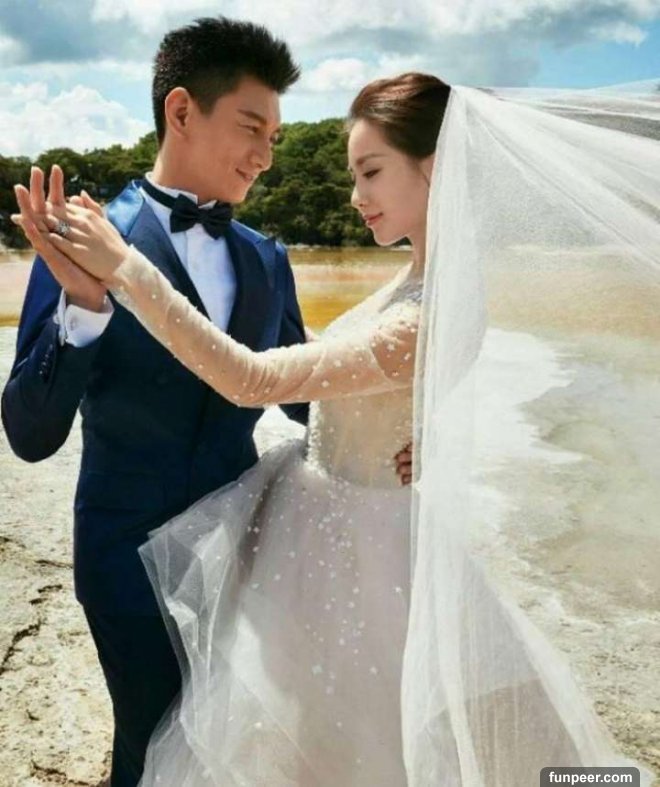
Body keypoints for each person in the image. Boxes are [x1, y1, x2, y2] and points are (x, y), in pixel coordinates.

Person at [13, 74, 658, 786]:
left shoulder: (420, 306)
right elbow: (341, 383)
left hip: (357, 560)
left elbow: (256, 379)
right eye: (353, 174)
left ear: (436, 168)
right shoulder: (416, 282)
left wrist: (125, 268)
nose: (355, 196)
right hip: (273, 537)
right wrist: (413, 429)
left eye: (371, 171)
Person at [2, 17, 410, 787]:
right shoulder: (85, 238)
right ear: (182, 110)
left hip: (250, 555)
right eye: (253, 127)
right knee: (150, 744)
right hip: (126, 558)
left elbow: (303, 400)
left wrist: (398, 436)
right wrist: (82, 311)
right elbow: (29, 434)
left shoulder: (265, 257)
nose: (266, 155)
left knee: (226, 753)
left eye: (277, 138)